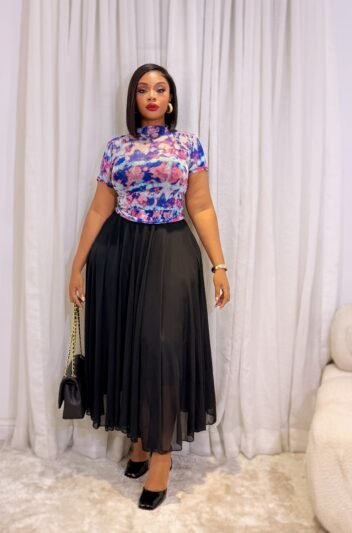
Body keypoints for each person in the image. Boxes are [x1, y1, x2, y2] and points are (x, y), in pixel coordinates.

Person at [68, 63, 230, 510]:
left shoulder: (188, 145)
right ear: (134, 99)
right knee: (131, 347)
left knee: (162, 348)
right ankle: (141, 440)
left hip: (171, 246)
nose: (152, 96)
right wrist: (77, 265)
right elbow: (100, 208)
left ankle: (161, 457)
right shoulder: (116, 148)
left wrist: (219, 264)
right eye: (143, 89)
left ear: (171, 99)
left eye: (160, 89)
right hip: (120, 251)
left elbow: (201, 205)